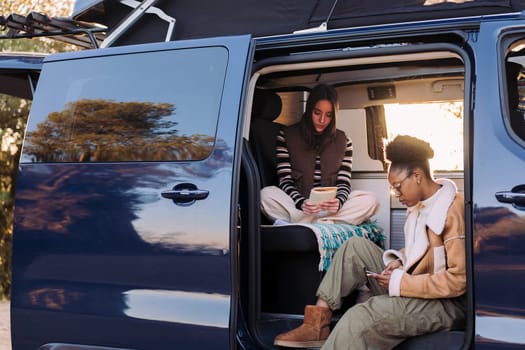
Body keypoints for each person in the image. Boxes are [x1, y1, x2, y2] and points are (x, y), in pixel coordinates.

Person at [273, 135, 467, 349]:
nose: (397, 194)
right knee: (354, 247)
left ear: (418, 176)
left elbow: (459, 280)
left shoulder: (450, 210)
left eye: (398, 187)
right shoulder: (420, 205)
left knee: (360, 316)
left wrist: (400, 282)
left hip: (443, 304)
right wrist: (400, 261)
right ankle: (317, 324)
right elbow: (421, 251)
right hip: (414, 285)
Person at [260, 83, 379, 225]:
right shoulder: (285, 136)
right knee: (265, 195)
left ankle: (305, 224)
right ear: (309, 110)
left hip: (330, 210)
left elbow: (344, 183)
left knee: (371, 200)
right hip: (299, 207)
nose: (322, 120)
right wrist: (301, 203)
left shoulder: (345, 141)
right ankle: (325, 224)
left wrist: (339, 202)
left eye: (328, 115)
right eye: (317, 113)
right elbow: (285, 181)